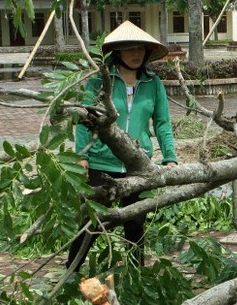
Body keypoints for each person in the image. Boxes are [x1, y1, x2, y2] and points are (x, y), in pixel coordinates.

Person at [67, 21, 178, 273]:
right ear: (117, 52)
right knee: (92, 223)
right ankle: (70, 272)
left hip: (137, 166)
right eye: (129, 49)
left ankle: (134, 275)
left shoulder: (153, 83)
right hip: (101, 164)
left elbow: (162, 123)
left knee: (135, 225)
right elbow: (85, 120)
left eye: (140, 49)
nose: (136, 54)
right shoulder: (98, 82)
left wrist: (170, 157)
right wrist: (81, 157)